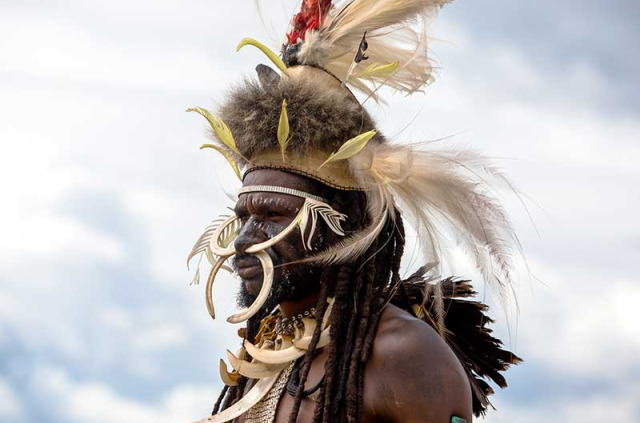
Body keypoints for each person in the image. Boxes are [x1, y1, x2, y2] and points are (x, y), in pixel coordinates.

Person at [186, 1, 521, 422]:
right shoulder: (269, 352)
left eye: (273, 215)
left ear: (341, 227)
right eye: (245, 215)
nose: (246, 238)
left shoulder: (402, 355)